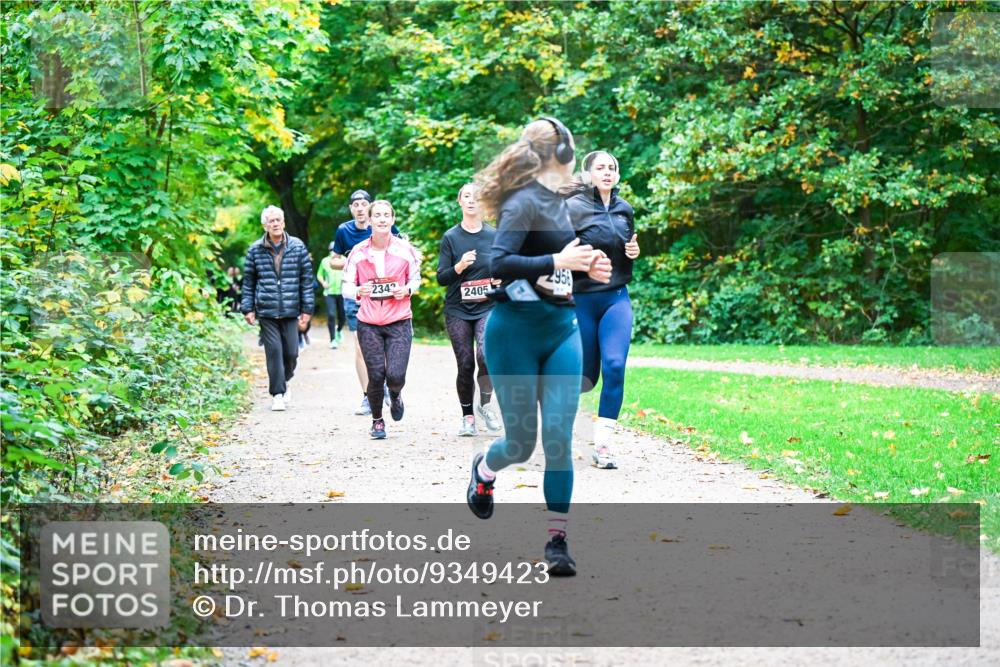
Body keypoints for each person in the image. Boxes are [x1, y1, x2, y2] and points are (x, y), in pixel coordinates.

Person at [465, 118, 612, 576]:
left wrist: (591, 267)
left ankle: (557, 540)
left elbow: (565, 266)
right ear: (560, 156)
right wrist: (557, 259)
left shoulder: (565, 202)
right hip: (513, 335)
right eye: (572, 152)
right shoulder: (522, 202)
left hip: (561, 330)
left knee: (559, 439)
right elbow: (497, 262)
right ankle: (484, 472)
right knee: (522, 444)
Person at [563, 151, 640, 469]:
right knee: (585, 376)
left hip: (616, 298)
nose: (607, 172)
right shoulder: (572, 208)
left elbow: (627, 247)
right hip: (582, 300)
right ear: (588, 174)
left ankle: (603, 445)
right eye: (600, 168)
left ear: (618, 175)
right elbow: (558, 252)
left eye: (612, 168)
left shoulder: (625, 209)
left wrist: (634, 251)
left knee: (614, 365)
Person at [341, 200, 421, 439]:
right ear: (370, 220)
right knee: (375, 375)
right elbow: (346, 286)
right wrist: (358, 291)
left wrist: (406, 289)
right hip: (369, 322)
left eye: (387, 215)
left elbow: (416, 281)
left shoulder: (405, 250)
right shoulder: (358, 252)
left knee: (396, 375)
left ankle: (395, 395)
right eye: (378, 215)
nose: (383, 219)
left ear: (393, 220)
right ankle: (377, 421)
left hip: (399, 320)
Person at [436, 183, 502, 437]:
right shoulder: (451, 237)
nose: (472, 201)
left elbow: (505, 268)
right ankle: (468, 417)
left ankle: (485, 405)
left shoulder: (494, 235)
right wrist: (460, 266)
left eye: (477, 197)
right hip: (458, 309)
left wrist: (500, 280)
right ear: (459, 202)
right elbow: (442, 277)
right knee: (464, 364)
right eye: (467, 196)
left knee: (485, 357)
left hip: (488, 306)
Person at [332, 189, 401, 415]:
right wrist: (357, 262)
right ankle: (367, 396)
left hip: (385, 295)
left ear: (370, 209)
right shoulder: (343, 231)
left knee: (386, 344)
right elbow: (334, 261)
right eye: (356, 205)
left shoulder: (386, 226)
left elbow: (402, 255)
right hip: (358, 293)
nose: (360, 208)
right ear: (351, 209)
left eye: (364, 204)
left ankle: (390, 387)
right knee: (361, 347)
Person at [240, 205, 314, 411]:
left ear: (283, 223)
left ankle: (285, 379)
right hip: (266, 310)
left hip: (291, 309)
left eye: (278, 220)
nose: (275, 224)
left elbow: (306, 281)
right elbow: (249, 282)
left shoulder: (298, 246)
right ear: (265, 225)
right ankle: (278, 394)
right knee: (273, 352)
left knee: (291, 353)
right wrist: (248, 308)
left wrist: (307, 310)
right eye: (271, 221)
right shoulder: (255, 249)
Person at [317, 241, 346, 349]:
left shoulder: (345, 260)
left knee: (343, 316)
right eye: (331, 250)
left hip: (342, 292)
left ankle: (339, 330)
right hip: (329, 293)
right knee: (331, 315)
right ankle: (333, 339)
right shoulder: (325, 261)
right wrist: (323, 282)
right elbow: (319, 274)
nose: (333, 252)